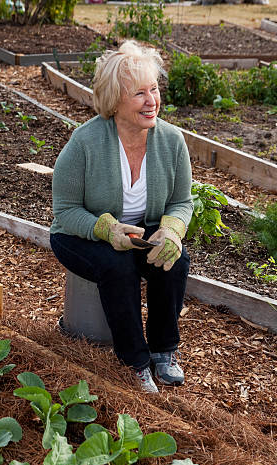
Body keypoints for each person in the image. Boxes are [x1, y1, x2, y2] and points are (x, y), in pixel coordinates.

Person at [50, 40, 193, 393]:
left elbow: (182, 202)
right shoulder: (84, 142)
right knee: (119, 267)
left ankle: (163, 351)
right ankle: (135, 361)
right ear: (115, 100)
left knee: (174, 261)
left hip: (139, 231)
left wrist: (172, 230)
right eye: (139, 93)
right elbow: (65, 212)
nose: (152, 100)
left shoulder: (172, 141)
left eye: (155, 89)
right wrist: (104, 228)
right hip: (79, 233)